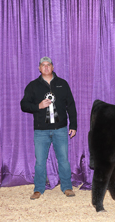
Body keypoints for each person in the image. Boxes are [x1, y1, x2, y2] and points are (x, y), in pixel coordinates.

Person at [21, 57, 77, 199]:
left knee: (63, 159)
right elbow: (23, 105)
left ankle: (67, 187)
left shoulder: (62, 84)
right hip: (41, 130)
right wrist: (38, 106)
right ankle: (38, 189)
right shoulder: (33, 86)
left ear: (52, 67)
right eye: (43, 65)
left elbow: (71, 105)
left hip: (60, 129)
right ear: (39, 68)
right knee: (40, 161)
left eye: (48, 65)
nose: (46, 67)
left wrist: (74, 125)